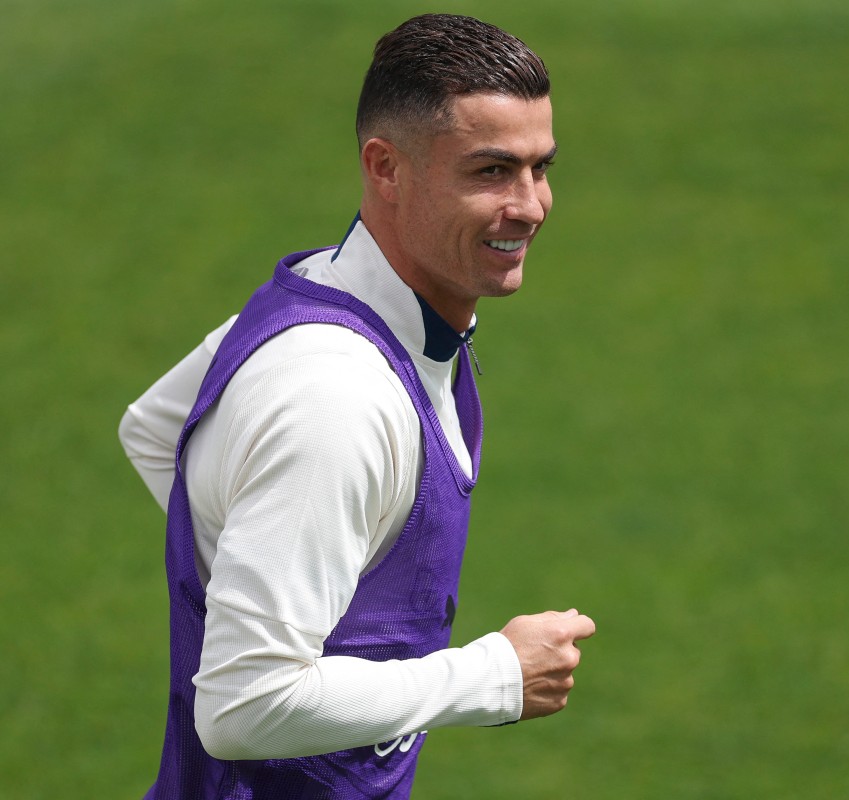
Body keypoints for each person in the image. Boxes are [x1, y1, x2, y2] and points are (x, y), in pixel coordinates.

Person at [118, 14, 595, 798]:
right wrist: (494, 676)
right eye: (490, 171)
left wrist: (275, 573)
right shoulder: (336, 400)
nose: (531, 205)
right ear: (386, 168)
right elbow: (242, 705)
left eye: (540, 168)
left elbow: (156, 427)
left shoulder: (325, 290)